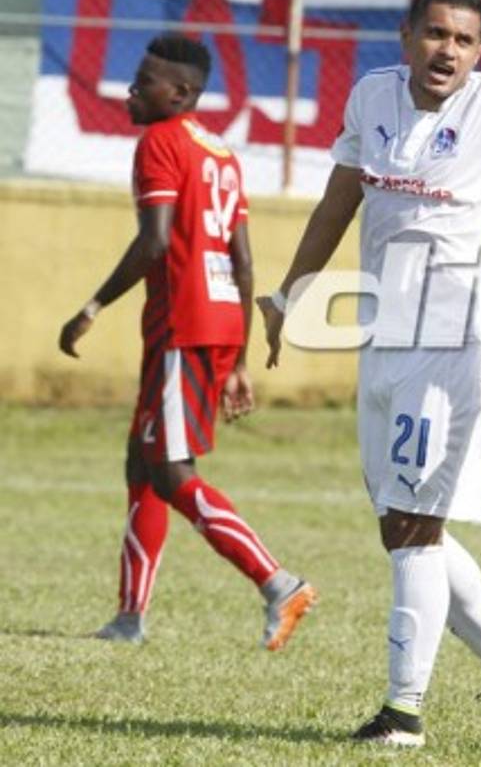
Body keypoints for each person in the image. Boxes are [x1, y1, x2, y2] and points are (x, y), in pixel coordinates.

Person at [258, 0, 481, 748]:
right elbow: (336, 203)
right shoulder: (370, 96)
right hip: (379, 341)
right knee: (401, 528)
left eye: (463, 39)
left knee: (418, 528)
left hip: (448, 350)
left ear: (479, 51)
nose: (447, 50)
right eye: (435, 34)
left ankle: (403, 713)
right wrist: (289, 297)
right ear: (406, 34)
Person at [57, 34, 317, 650]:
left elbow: (154, 241)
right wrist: (240, 358)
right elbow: (244, 259)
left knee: (172, 472)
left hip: (184, 323)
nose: (130, 90)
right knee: (142, 464)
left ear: (180, 93)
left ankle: (279, 582)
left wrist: (91, 307)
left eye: (143, 81)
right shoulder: (219, 150)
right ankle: (128, 617)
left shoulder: (160, 142)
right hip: (213, 322)